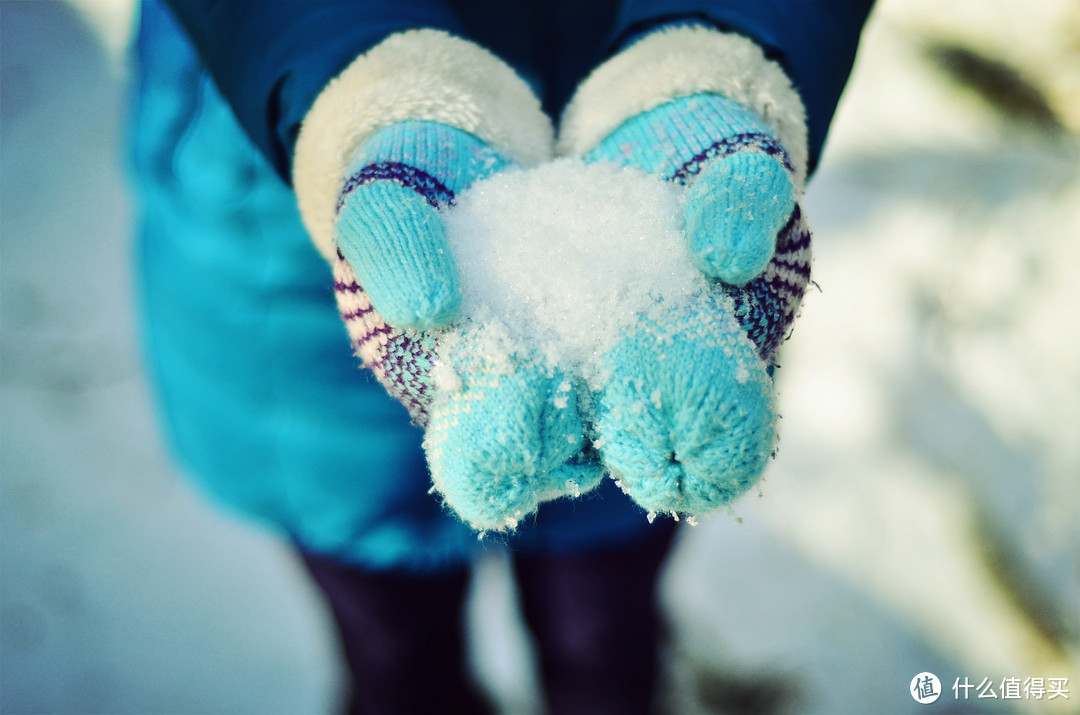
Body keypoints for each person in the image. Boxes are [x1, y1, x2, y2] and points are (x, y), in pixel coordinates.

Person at [128, 1, 873, 712]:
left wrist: (706, 61)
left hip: (653, 300)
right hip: (280, 247)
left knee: (606, 645)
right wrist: (370, 93)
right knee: (397, 664)